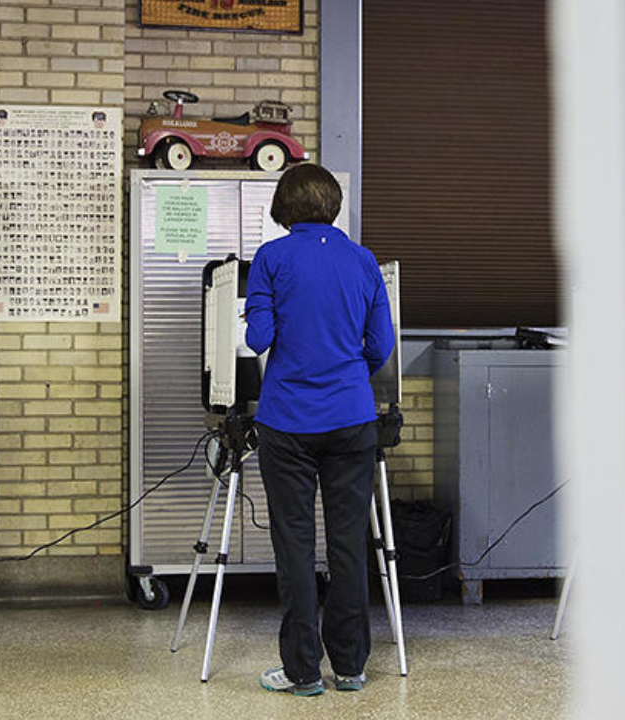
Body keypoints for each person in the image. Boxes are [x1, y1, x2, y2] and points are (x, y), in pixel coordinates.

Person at [243, 163, 395, 697]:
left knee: (295, 546)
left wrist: (263, 315)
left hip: (287, 424)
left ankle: (304, 672)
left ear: (284, 208)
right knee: (350, 545)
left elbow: (259, 339)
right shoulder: (363, 260)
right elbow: (381, 346)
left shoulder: (272, 258)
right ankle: (350, 667)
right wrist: (346, 373)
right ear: (332, 205)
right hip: (353, 420)